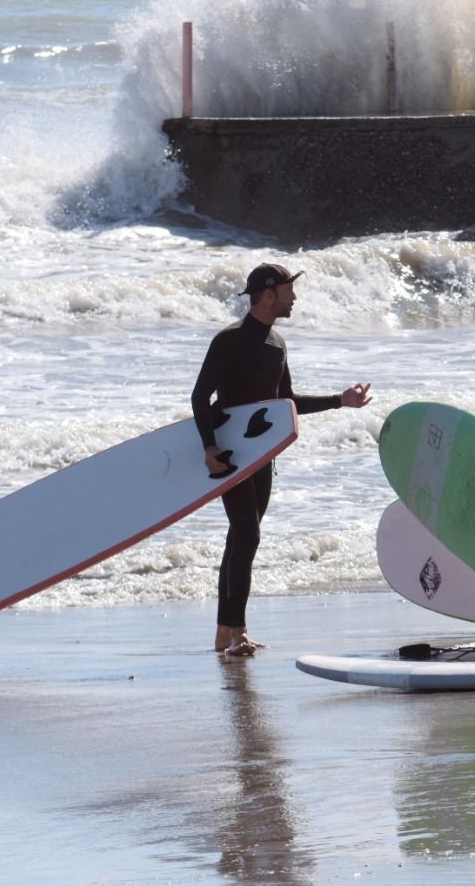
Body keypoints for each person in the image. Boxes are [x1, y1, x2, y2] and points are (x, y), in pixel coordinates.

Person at [191, 263, 372, 657]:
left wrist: (340, 402)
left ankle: (226, 631)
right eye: (289, 290)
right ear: (269, 294)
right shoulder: (229, 341)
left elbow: (285, 404)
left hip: (263, 456)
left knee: (240, 537)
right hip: (231, 455)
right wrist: (209, 448)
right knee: (248, 534)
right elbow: (200, 397)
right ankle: (236, 631)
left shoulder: (277, 344)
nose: (295, 298)